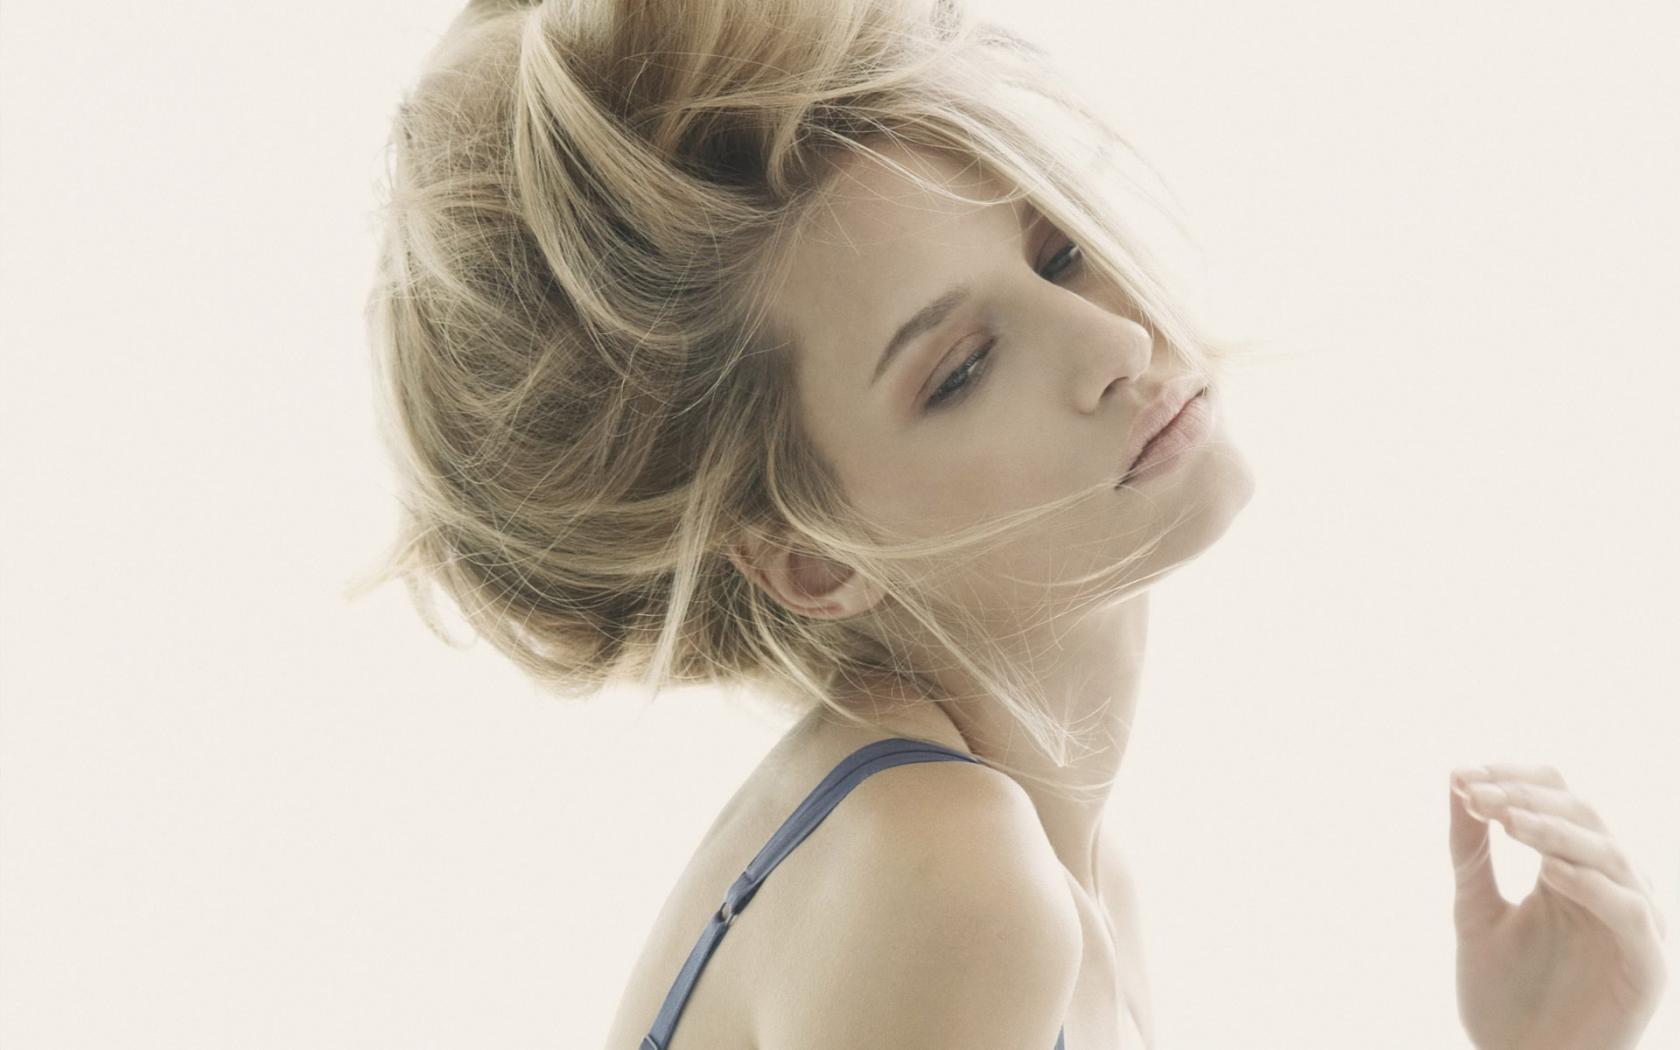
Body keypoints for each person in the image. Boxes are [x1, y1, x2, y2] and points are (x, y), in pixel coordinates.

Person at [353, 0, 1670, 1046]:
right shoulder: (947, 876)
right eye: (963, 368)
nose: (1112, 342)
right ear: (811, 555)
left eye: (1055, 251)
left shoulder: (1019, 861)